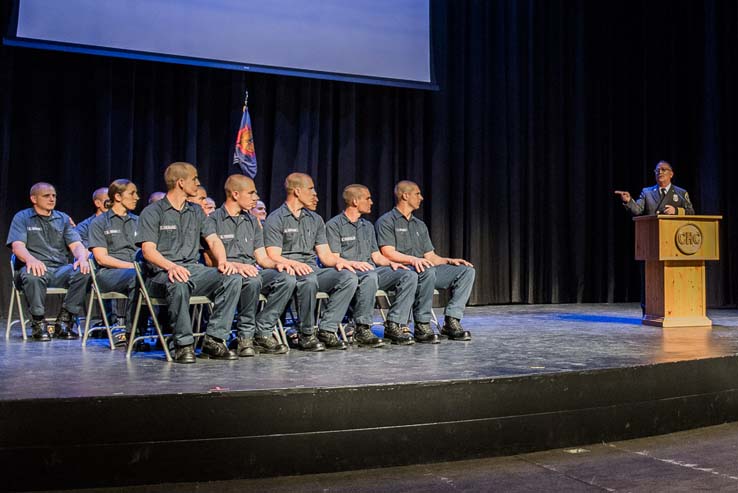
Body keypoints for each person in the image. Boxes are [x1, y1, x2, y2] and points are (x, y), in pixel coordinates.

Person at [136, 162, 241, 363]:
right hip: (161, 273)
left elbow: (213, 240)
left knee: (231, 278)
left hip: (193, 269)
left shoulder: (196, 211)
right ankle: (183, 345)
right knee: (178, 283)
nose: (198, 182)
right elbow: (148, 251)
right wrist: (171, 266)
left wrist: (223, 261)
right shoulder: (153, 212)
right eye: (194, 179)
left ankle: (214, 340)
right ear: (181, 182)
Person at [264, 172, 358, 351]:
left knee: (348, 277)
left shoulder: (315, 219)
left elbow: (325, 256)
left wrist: (343, 262)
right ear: (297, 191)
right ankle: (306, 333)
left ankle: (327, 329)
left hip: (311, 268)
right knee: (308, 280)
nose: (315, 194)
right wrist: (294, 264)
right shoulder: (276, 219)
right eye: (311, 189)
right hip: (287, 270)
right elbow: (272, 255)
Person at [205, 174, 296, 357]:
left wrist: (278, 264)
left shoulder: (252, 221)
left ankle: (262, 332)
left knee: (287, 278)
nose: (256, 197)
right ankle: (244, 337)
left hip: (252, 270)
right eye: (251, 193)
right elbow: (209, 261)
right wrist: (237, 266)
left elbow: (261, 257)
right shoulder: (212, 220)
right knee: (252, 280)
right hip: (227, 273)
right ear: (236, 194)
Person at [376, 180, 475, 342]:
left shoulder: (419, 225)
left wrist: (449, 260)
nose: (421, 198)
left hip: (424, 269)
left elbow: (431, 257)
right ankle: (422, 324)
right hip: (402, 270)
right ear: (405, 195)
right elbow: (387, 253)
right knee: (426, 271)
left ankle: (452, 321)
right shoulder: (387, 221)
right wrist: (414, 260)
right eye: (417, 194)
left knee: (467, 271)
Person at [326, 184, 417, 346]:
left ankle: (395, 324)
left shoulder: (367, 226)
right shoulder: (334, 225)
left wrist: (391, 263)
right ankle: (362, 327)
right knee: (370, 275)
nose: (372, 202)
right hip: (349, 273)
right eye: (367, 198)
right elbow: (334, 258)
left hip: (371, 271)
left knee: (408, 274)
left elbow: (376, 256)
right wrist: (355, 264)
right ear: (355, 201)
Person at [6, 182, 91, 340]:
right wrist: (31, 260)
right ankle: (38, 323)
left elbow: (76, 245)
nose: (52, 199)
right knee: (32, 274)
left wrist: (81, 258)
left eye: (54, 196)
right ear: (34, 199)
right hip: (33, 267)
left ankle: (64, 321)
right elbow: (17, 246)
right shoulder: (22, 217)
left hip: (59, 269)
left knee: (84, 270)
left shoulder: (63, 218)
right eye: (47, 196)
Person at [87, 179, 140, 344]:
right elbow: (101, 258)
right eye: (132, 193)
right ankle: (126, 329)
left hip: (136, 270)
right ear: (117, 196)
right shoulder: (100, 222)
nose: (137, 197)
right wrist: (133, 266)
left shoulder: (139, 221)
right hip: (108, 274)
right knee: (137, 277)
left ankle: (161, 329)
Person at [615, 161, 695, 216]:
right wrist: (629, 201)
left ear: (671, 174)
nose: (660, 172)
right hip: (653, 232)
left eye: (663, 169)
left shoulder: (681, 193)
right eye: (657, 170)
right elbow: (637, 210)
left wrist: (676, 211)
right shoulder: (647, 192)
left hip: (672, 231)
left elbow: (691, 212)